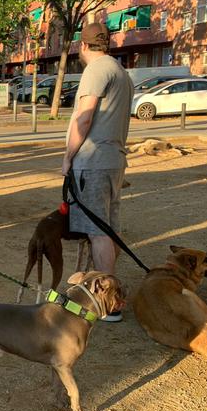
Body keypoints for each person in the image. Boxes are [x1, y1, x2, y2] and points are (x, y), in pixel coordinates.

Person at [61, 22, 133, 323]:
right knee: (108, 229)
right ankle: (108, 294)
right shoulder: (121, 72)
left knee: (97, 231)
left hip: (93, 160)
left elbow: (85, 116)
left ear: (83, 46)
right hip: (114, 158)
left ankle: (108, 303)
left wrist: (68, 157)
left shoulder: (95, 70)